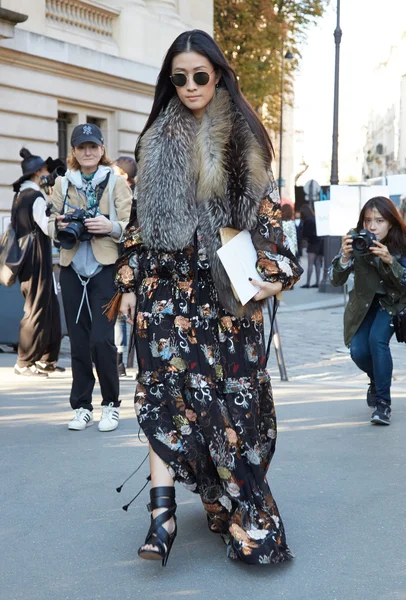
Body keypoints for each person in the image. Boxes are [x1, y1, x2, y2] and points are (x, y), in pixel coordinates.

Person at [114, 30, 302, 566]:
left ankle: (233, 502)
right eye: (180, 77)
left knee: (234, 408)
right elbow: (137, 226)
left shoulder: (244, 137)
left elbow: (267, 219)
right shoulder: (154, 139)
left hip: (226, 297)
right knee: (163, 395)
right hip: (166, 295)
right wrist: (127, 285)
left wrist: (278, 273)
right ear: (169, 81)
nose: (191, 85)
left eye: (200, 75)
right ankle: (162, 516)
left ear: (217, 74)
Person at [48, 124, 132, 431]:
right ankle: (82, 406)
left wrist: (109, 227)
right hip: (71, 268)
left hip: (104, 268)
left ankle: (110, 404)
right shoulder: (62, 183)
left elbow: (129, 225)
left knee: (101, 340)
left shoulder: (115, 182)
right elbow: (48, 224)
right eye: (81, 147)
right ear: (73, 151)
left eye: (93, 146)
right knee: (79, 341)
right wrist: (57, 225)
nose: (87, 152)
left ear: (101, 150)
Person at [329, 196, 406, 425]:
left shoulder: (401, 242)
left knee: (377, 341)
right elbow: (335, 280)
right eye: (368, 220)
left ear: (391, 222)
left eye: (379, 220)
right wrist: (344, 257)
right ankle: (376, 378)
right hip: (363, 305)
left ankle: (383, 404)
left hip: (392, 303)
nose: (372, 226)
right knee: (358, 351)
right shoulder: (357, 239)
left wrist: (389, 260)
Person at [11, 148, 63, 377]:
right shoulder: (34, 196)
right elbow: (48, 227)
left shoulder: (21, 195)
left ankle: (46, 359)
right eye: (44, 170)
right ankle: (24, 362)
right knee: (36, 308)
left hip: (29, 258)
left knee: (48, 306)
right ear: (36, 173)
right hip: (36, 257)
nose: (47, 173)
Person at [113, 157, 138, 377]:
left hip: (125, 263)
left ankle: (119, 361)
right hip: (128, 264)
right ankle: (122, 362)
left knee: (122, 317)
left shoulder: (129, 197)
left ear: (124, 175)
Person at [300, 203, 323, 288]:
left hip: (312, 243)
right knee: (317, 263)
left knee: (310, 264)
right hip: (320, 243)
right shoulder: (315, 218)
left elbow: (306, 234)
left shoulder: (307, 220)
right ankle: (317, 282)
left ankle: (308, 283)